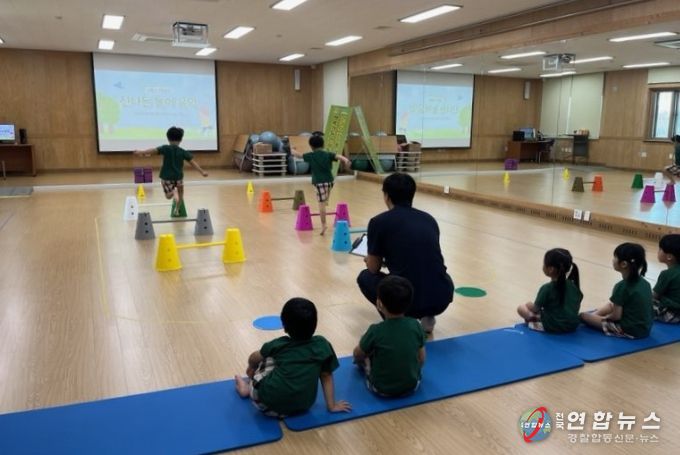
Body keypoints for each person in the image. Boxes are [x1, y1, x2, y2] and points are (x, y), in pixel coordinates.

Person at [356, 173, 454, 334]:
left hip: (407, 301)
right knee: (433, 272)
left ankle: (397, 322)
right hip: (441, 296)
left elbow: (373, 268)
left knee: (365, 277)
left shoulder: (378, 222)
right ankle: (427, 316)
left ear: (387, 196)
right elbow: (420, 254)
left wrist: (369, 260)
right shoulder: (429, 219)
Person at [234, 298, 351, 417]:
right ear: (315, 325)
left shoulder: (279, 345)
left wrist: (251, 367)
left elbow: (253, 357)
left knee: (268, 359)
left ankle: (248, 389)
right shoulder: (322, 345)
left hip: (266, 406)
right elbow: (326, 376)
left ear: (284, 327)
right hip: (303, 406)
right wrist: (332, 406)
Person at [353, 275, 426, 397]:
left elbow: (357, 354)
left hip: (380, 389)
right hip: (412, 386)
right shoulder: (416, 325)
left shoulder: (375, 330)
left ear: (379, 303)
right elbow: (421, 358)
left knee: (364, 349)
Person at [580, 243, 653, 339]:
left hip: (629, 330)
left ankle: (593, 316)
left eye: (615, 257)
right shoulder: (645, 283)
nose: (613, 260)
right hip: (645, 328)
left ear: (623, 264)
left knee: (583, 316)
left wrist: (605, 318)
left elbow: (616, 316)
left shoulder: (621, 286)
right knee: (611, 305)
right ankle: (594, 315)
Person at [134, 126, 208, 216]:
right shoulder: (182, 151)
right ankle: (176, 209)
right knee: (181, 194)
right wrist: (202, 172)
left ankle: (173, 192)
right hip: (178, 177)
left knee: (168, 196)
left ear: (168, 138)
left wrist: (141, 152)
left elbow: (153, 151)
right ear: (181, 140)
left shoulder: (165, 148)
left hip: (166, 177)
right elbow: (193, 163)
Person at [292, 134, 350, 235]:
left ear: (311, 146)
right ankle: (325, 201)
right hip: (330, 181)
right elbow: (338, 156)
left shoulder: (311, 155)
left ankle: (324, 224)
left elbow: (299, 155)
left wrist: (292, 150)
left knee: (321, 204)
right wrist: (346, 160)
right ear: (323, 145)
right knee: (325, 198)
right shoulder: (327, 154)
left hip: (319, 182)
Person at [517, 248, 583, 333]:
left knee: (521, 308)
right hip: (572, 325)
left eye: (544, 264)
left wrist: (531, 307)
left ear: (551, 269)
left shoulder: (547, 288)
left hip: (552, 326)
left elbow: (535, 309)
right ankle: (539, 318)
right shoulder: (573, 285)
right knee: (535, 307)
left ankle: (533, 319)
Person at [652, 234, 680, 323]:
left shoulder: (667, 274)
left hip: (672, 314)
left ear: (669, 257)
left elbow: (654, 296)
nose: (658, 251)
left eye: (660, 249)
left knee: (638, 304)